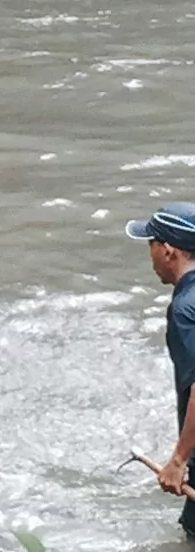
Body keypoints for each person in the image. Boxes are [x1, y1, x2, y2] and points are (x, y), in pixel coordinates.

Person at [126, 202, 195, 537]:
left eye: (150, 244)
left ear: (168, 251)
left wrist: (179, 460)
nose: (149, 256)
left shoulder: (186, 309)